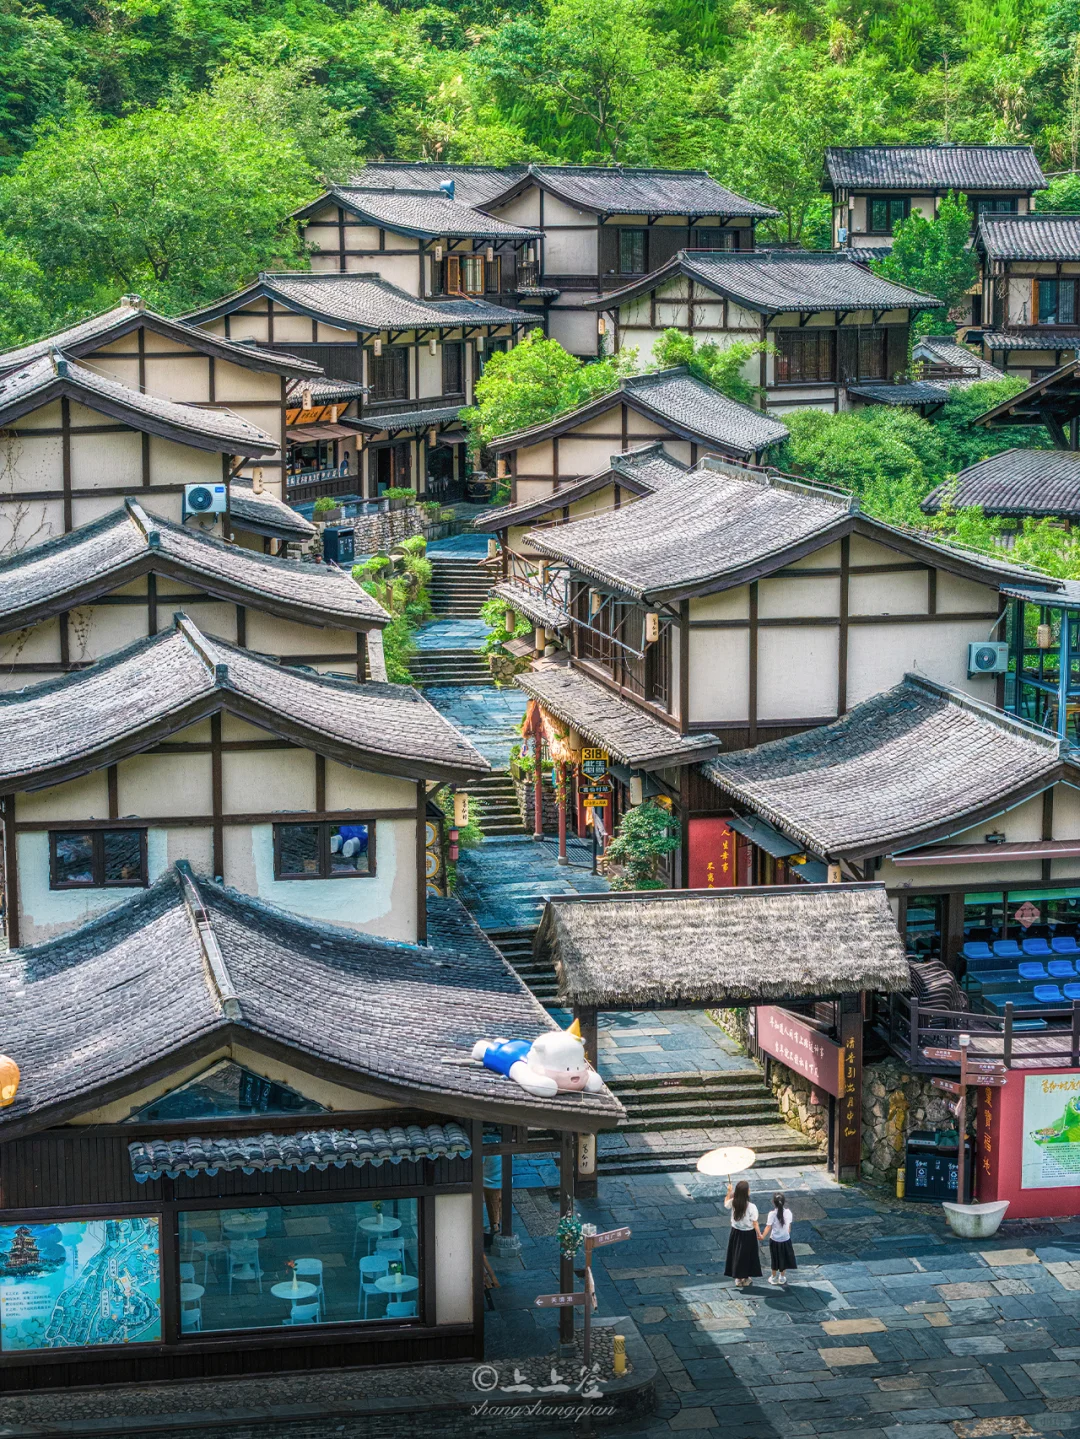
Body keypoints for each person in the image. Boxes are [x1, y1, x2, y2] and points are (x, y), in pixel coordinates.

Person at [723, 1179, 762, 1288]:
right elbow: (755, 1222)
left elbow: (726, 1203)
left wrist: (729, 1192)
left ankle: (738, 1278)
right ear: (747, 1192)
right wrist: (759, 1234)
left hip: (735, 1232)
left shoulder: (734, 1202)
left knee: (736, 1254)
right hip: (748, 1234)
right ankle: (745, 1277)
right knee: (746, 1255)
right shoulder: (751, 1207)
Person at [761, 1193, 796, 1286]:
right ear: (784, 1202)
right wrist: (786, 1233)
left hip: (775, 1240)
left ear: (773, 1203)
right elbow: (789, 1227)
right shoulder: (788, 1212)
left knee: (774, 1258)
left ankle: (773, 1277)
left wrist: (762, 1236)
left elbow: (768, 1227)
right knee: (783, 1257)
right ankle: (782, 1276)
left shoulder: (772, 1214)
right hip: (785, 1239)